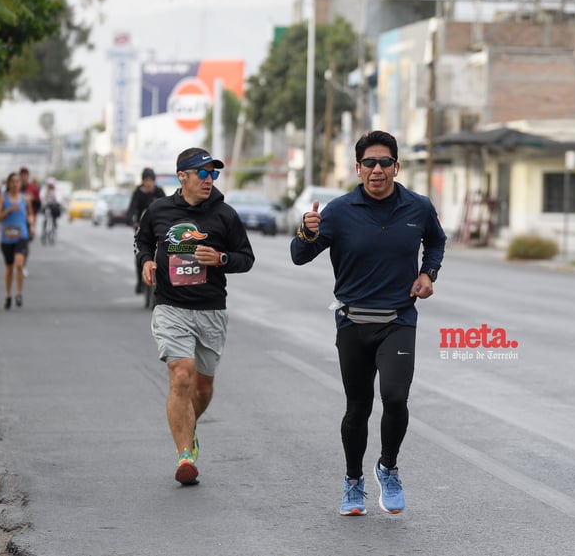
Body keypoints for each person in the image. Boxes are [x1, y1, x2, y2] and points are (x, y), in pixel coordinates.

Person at [290, 130, 446, 516]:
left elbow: (437, 241)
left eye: (385, 162)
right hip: (352, 322)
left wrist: (429, 273)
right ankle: (353, 482)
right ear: (357, 168)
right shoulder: (340, 211)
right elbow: (299, 256)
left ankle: (388, 467)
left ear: (397, 166)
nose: (378, 170)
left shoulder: (418, 207)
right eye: (369, 163)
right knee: (357, 407)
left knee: (395, 397)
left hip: (398, 318)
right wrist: (306, 232)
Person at [134, 147, 255, 486]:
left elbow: (246, 258)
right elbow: (142, 241)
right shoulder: (158, 210)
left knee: (202, 389)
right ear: (182, 177)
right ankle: (185, 455)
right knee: (181, 375)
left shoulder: (225, 216)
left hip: (211, 310)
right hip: (171, 307)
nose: (209, 180)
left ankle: (190, 425)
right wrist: (145, 260)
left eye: (213, 174)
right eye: (202, 173)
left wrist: (220, 260)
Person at [0, 172, 34, 310]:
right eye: (13, 181)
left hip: (21, 236)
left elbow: (30, 215)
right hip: (6, 238)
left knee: (19, 264)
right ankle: (8, 295)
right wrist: (9, 210)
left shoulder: (25, 199)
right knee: (9, 268)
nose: (15, 184)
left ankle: (19, 293)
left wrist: (31, 225)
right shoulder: (2, 199)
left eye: (18, 182)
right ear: (8, 184)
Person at [128, 167, 166, 293]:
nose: (149, 183)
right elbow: (132, 209)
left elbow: (168, 208)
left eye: (151, 180)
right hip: (141, 227)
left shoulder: (159, 192)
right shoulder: (138, 192)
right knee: (141, 253)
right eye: (146, 180)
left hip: (157, 227)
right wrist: (131, 221)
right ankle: (140, 281)